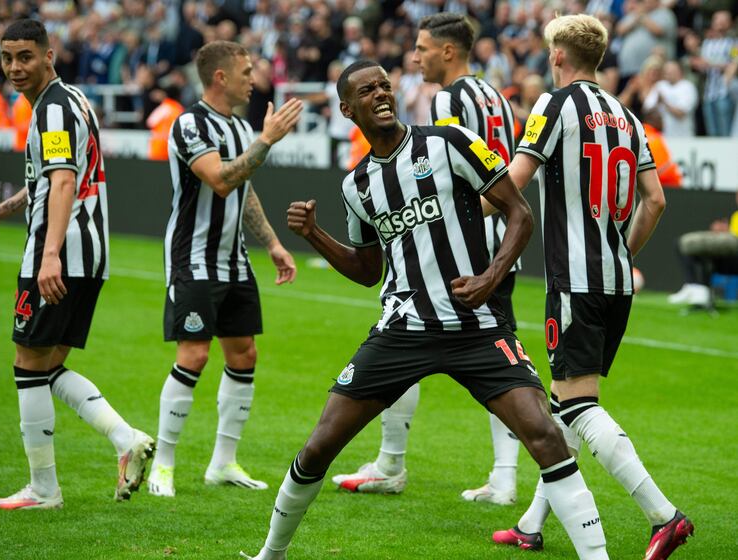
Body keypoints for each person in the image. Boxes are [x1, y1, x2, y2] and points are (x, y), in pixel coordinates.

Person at [241, 60, 609, 560]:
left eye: (385, 85)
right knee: (319, 446)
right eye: (367, 90)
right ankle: (271, 554)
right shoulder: (357, 186)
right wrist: (313, 236)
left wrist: (490, 278)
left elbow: (519, 212)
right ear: (348, 109)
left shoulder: (449, 142)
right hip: (402, 328)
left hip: (475, 324)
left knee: (545, 435)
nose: (381, 94)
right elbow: (368, 268)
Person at [489, 15, 694, 559]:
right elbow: (656, 201)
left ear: (557, 55)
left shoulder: (554, 106)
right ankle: (532, 525)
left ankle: (663, 514)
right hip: (616, 280)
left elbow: (515, 182)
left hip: (575, 280)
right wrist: (622, 253)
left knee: (578, 406)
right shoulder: (627, 115)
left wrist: (468, 207)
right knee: (564, 403)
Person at [331, 13, 523, 507]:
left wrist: (431, 222)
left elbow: (438, 175)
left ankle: (392, 462)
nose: (414, 59)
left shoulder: (449, 99)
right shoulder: (495, 94)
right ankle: (502, 475)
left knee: (404, 338)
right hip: (500, 244)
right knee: (504, 364)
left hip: (462, 252)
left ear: (448, 51)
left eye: (422, 49)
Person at [0, 19, 154, 509]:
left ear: (49, 55)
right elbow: (50, 179)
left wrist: (48, 254)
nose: (14, 68)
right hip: (88, 254)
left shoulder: (51, 109)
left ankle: (44, 489)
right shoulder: (72, 100)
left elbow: (66, 181)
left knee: (27, 367)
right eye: (7, 58)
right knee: (48, 366)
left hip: (59, 252)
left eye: (25, 56)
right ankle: (125, 439)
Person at [146, 41, 302, 498]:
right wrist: (268, 139)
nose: (253, 78)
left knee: (244, 354)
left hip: (233, 261)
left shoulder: (237, 126)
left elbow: (242, 188)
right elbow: (220, 179)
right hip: (192, 259)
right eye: (247, 70)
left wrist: (272, 242)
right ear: (220, 77)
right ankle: (164, 464)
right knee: (193, 355)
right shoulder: (190, 123)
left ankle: (223, 462)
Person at [668, 192, 738, 307]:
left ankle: (695, 288)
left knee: (687, 243)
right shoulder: (735, 216)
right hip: (726, 260)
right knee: (685, 246)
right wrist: (722, 232)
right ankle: (694, 287)